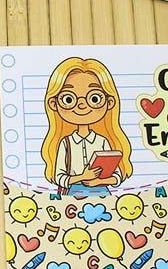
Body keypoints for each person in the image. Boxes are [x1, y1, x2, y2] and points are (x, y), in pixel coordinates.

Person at [40, 57, 133, 193]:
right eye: (68, 99)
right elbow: (59, 177)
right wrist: (82, 177)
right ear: (53, 104)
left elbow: (117, 175)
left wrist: (99, 181)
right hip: (73, 194)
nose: (82, 105)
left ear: (109, 102)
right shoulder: (66, 143)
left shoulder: (102, 141)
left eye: (94, 98)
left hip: (102, 192)